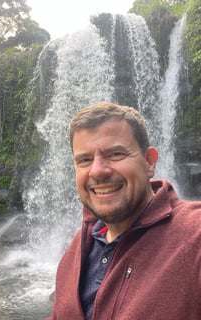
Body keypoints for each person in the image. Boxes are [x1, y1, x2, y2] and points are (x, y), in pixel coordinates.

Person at [45, 102, 201, 320]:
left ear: (149, 162)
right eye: (85, 160)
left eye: (115, 154)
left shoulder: (194, 236)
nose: (98, 171)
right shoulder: (78, 246)